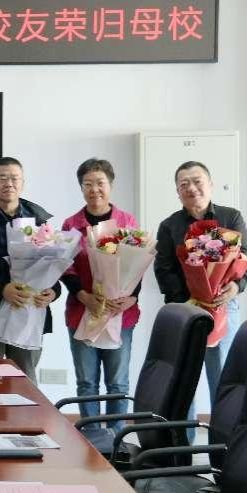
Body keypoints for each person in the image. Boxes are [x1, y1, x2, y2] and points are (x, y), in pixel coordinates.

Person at [154, 161, 247, 406]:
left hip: (223, 305)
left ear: (210, 185)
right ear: (178, 192)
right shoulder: (169, 226)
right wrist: (189, 301)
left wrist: (235, 287)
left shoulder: (231, 217)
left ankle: (221, 430)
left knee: (222, 376)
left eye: (197, 181)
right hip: (185, 308)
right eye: (183, 184)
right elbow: (164, 269)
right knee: (183, 380)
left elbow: (244, 256)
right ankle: (184, 431)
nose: (191, 188)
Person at [0, 157, 59, 383]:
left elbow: (52, 264)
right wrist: (2, 289)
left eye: (14, 178)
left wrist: (53, 291)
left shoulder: (40, 222)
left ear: (22, 183)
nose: (9, 183)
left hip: (28, 311)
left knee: (25, 381)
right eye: (2, 178)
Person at [60, 159, 140, 431]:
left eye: (100, 183)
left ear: (111, 185)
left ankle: (116, 440)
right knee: (87, 382)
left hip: (120, 313)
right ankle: (92, 439)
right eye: (88, 184)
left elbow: (137, 264)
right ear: (81, 188)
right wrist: (83, 296)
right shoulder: (71, 224)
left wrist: (132, 297)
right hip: (83, 310)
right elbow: (66, 266)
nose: (94, 189)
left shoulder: (126, 222)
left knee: (117, 382)